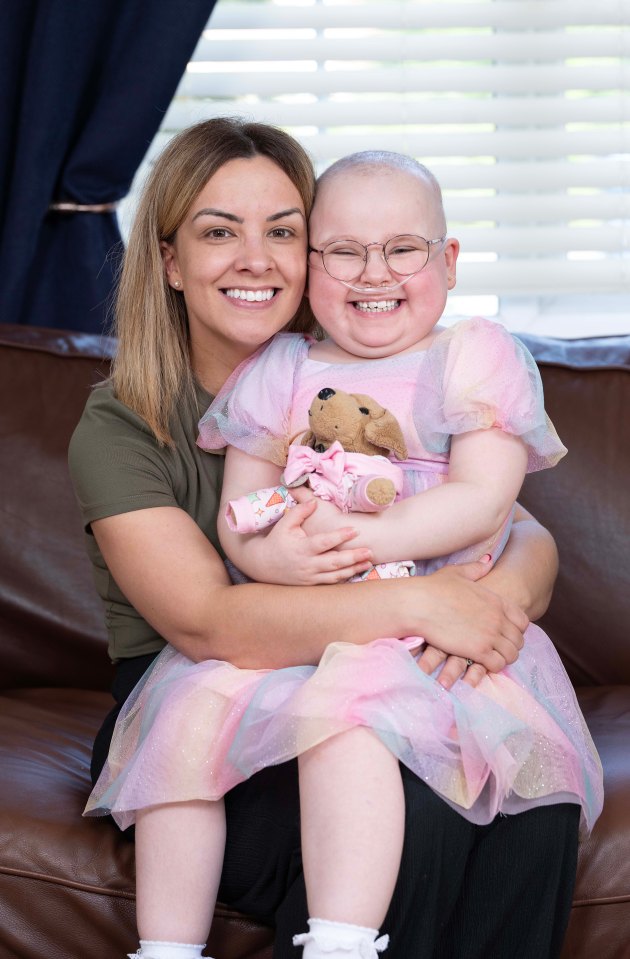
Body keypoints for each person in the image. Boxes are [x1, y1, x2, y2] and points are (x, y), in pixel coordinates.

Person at [69, 119, 583, 959]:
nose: (255, 257)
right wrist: (420, 599)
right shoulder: (123, 424)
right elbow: (208, 624)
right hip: (211, 685)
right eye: (216, 231)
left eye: (282, 230)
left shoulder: (380, 371)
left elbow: (508, 524)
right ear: (169, 261)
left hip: (378, 658)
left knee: (530, 792)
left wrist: (498, 595)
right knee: (418, 799)